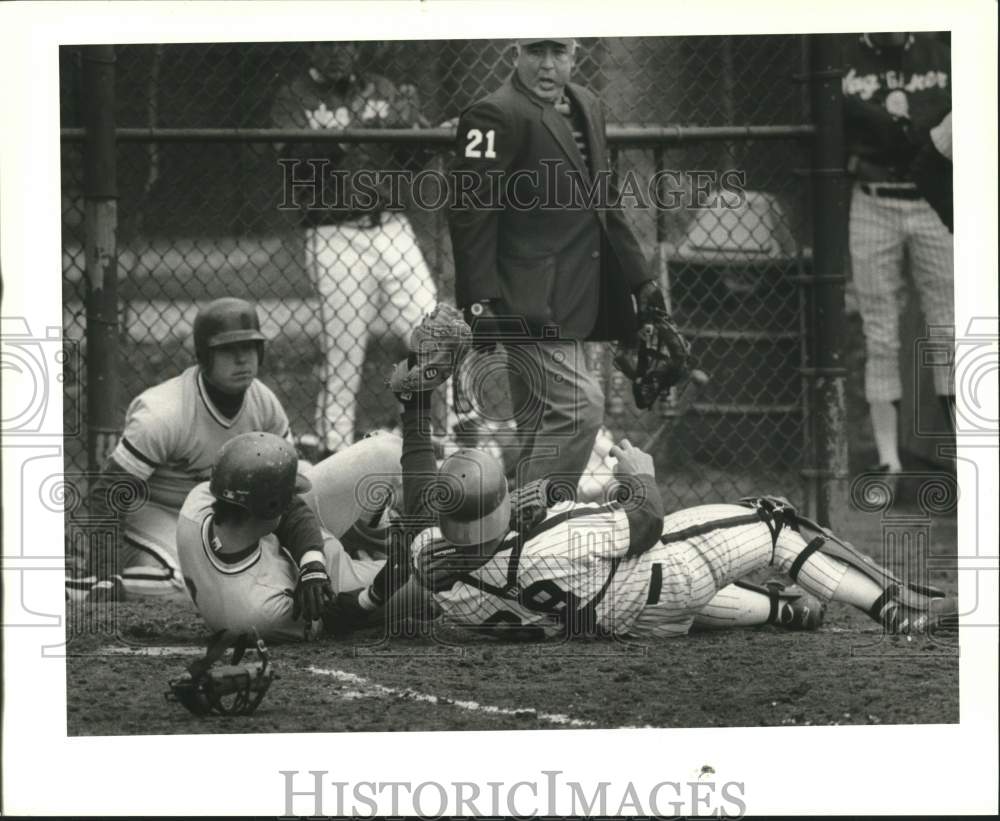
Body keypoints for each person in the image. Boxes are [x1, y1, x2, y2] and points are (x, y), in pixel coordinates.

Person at [336, 319, 957, 641]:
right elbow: (646, 523)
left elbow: (421, 491)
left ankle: (777, 612)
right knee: (774, 520)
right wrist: (638, 476)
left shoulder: (428, 557)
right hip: (660, 578)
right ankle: (895, 610)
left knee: (652, 595)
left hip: (622, 622)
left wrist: (416, 406)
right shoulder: (553, 540)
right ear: (501, 504)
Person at [447, 38, 670, 494]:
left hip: (579, 293)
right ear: (515, 53)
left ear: (575, 54)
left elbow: (604, 202)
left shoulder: (588, 104)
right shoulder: (493, 115)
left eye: (558, 52)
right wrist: (477, 302)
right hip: (525, 301)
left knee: (538, 430)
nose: (547, 65)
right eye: (535, 51)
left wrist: (641, 280)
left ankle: (508, 536)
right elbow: (471, 212)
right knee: (580, 407)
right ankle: (533, 523)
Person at [271, 42, 442, 456]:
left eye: (346, 43)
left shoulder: (381, 87)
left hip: (390, 227)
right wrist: (357, 129)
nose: (338, 52)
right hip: (333, 232)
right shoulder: (294, 97)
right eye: (328, 43)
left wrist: (410, 129)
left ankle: (445, 434)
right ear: (310, 47)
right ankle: (333, 448)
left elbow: (414, 160)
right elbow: (297, 164)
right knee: (344, 351)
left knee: (434, 334)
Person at [66, 297, 295, 602]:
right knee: (188, 586)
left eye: (249, 347)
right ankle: (75, 589)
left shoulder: (264, 404)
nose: (242, 359)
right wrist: (105, 573)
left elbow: (291, 481)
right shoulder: (164, 413)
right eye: (227, 349)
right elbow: (108, 493)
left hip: (219, 518)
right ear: (203, 355)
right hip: (153, 513)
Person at [841, 32, 955, 479]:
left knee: (948, 327)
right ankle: (888, 461)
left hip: (933, 200)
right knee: (880, 330)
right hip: (872, 197)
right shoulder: (846, 55)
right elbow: (839, 126)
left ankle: (965, 455)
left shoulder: (938, 50)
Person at [176, 430, 404, 642]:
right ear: (271, 508)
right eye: (288, 494)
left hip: (304, 557)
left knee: (387, 451)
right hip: (329, 585)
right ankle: (389, 542)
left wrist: (312, 563)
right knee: (428, 575)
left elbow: (293, 508)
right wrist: (374, 597)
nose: (292, 498)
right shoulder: (260, 613)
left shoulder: (201, 502)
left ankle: (378, 530)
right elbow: (332, 617)